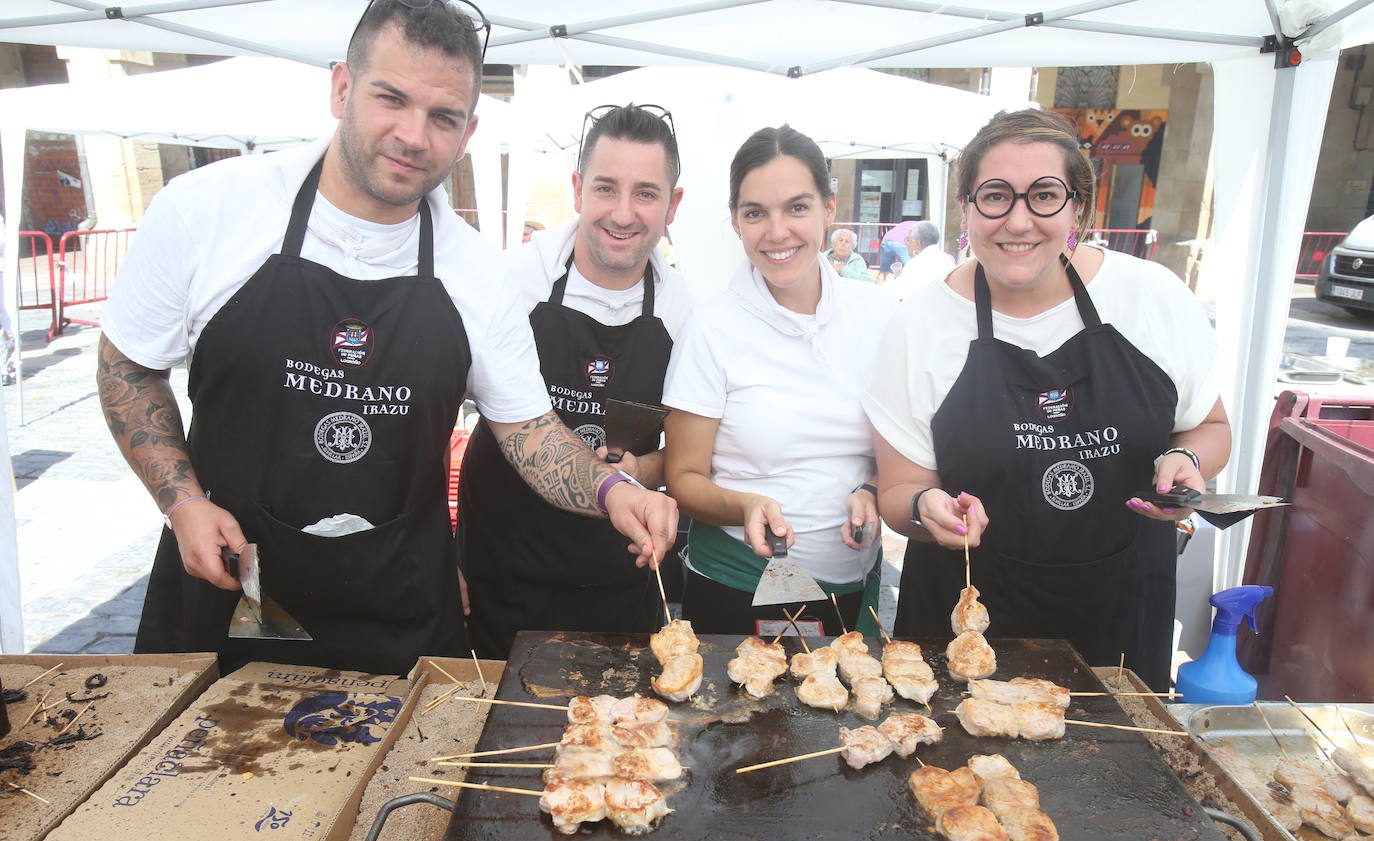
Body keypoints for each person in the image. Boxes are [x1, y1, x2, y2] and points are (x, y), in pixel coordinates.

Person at [96, 0, 676, 675]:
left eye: (442, 118)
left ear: (468, 131)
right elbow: (127, 369)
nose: (413, 135)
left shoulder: (476, 272)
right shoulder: (207, 211)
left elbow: (531, 433)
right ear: (342, 87)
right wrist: (183, 502)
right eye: (390, 99)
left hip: (396, 617)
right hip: (227, 591)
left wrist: (617, 494)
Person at [864, 109, 1230, 690]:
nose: (1018, 220)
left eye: (1044, 196)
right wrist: (924, 508)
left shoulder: (1151, 296)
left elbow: (1208, 427)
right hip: (966, 625)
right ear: (966, 208)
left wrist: (1188, 465)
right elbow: (898, 491)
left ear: (1077, 207)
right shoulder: (919, 326)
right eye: (995, 196)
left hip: (1121, 619)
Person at [460, 103, 692, 658]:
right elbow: (427, 423)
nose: (623, 213)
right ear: (577, 190)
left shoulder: (686, 313)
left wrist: (642, 469)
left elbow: (684, 456)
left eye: (646, 193)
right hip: (501, 576)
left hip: (620, 579)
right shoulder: (512, 282)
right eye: (606, 188)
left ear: (673, 205)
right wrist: (440, 558)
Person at [663, 125, 890, 636]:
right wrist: (745, 505)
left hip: (853, 586)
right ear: (736, 222)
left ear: (829, 208)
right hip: (737, 581)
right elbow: (684, 478)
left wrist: (873, 488)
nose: (777, 230)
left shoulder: (876, 315)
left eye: (797, 207)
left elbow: (902, 447)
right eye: (755, 213)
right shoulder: (711, 329)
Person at [883, 220, 955, 304]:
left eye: (908, 240)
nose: (906, 244)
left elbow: (895, 294)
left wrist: (894, 280)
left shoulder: (916, 263)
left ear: (917, 243)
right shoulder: (947, 259)